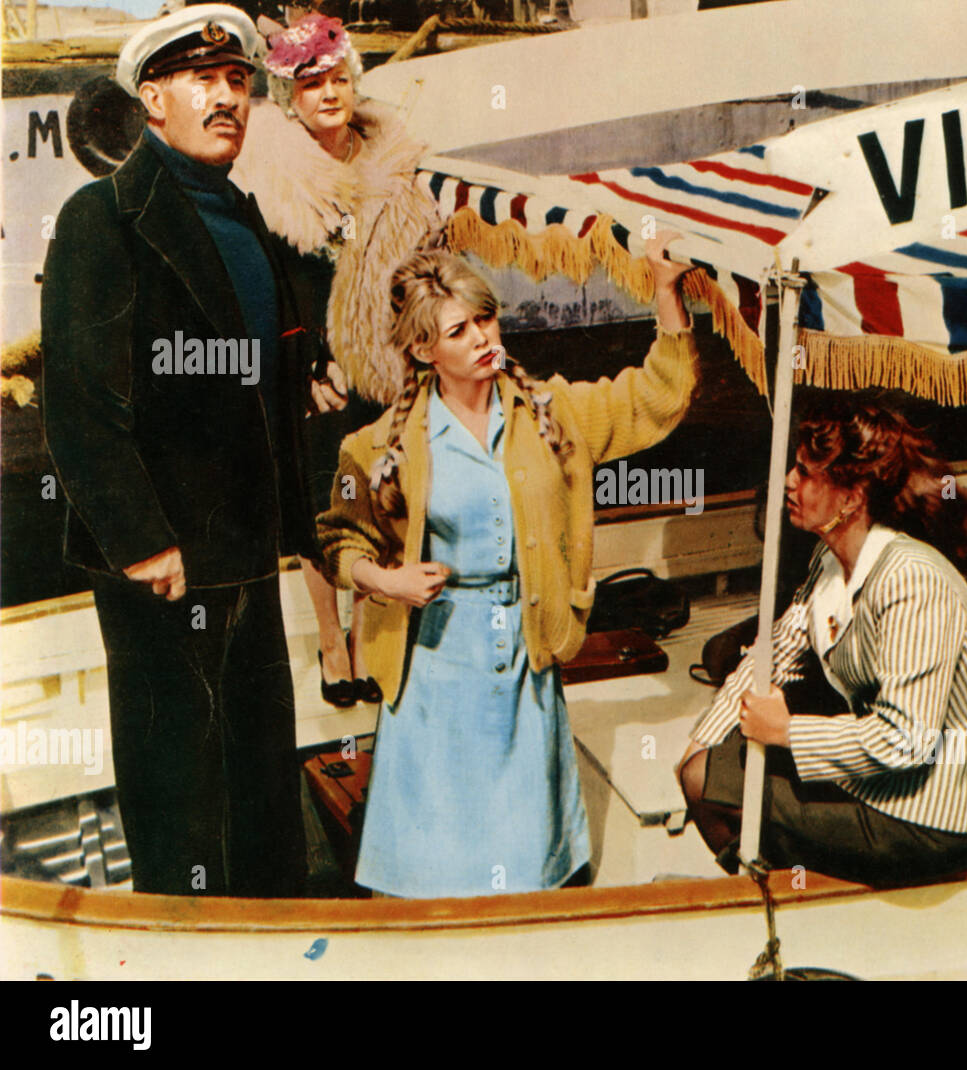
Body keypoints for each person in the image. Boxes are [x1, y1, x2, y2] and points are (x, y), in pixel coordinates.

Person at [40, 5, 348, 896]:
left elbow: (259, 378)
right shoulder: (104, 217)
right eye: (202, 82)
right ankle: (182, 943)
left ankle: (267, 932)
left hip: (246, 552)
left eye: (239, 82)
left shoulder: (243, 216)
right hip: (164, 559)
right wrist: (141, 541)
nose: (227, 99)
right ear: (152, 100)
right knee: (179, 785)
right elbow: (83, 404)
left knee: (257, 775)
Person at [315, 240, 697, 897]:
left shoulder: (555, 414)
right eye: (460, 331)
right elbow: (340, 539)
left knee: (528, 866)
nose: (483, 338)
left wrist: (667, 297)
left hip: (526, 659)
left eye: (486, 319)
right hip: (434, 677)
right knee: (435, 876)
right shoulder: (374, 445)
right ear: (422, 350)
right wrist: (387, 582)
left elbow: (653, 401)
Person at [678, 397, 967, 888]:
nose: (789, 482)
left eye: (806, 473)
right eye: (794, 468)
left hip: (937, 817)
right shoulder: (830, 560)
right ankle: (790, 894)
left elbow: (907, 741)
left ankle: (790, 903)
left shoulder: (912, 581)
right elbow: (773, 657)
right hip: (885, 782)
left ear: (853, 496)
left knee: (711, 785)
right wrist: (701, 739)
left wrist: (788, 731)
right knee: (699, 771)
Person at [230, 12, 445, 706]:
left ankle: (369, 632)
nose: (329, 93)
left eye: (339, 79)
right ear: (290, 96)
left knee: (379, 495)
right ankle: (331, 639)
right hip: (313, 373)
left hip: (387, 361)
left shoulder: (397, 167)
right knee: (320, 502)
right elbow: (267, 286)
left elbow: (425, 264)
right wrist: (300, 373)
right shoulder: (269, 178)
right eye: (312, 82)